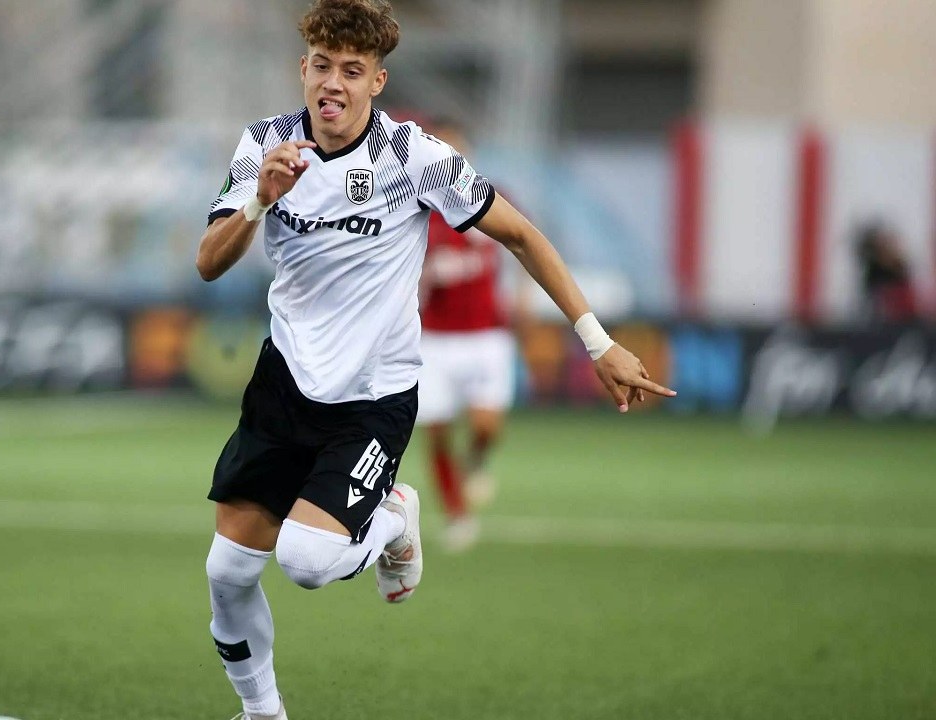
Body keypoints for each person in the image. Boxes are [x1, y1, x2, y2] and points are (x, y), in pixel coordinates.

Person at [195, 2, 675, 718]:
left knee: (305, 563)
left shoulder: (412, 156)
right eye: (322, 66)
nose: (333, 83)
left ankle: (393, 514)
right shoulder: (263, 144)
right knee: (228, 571)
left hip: (372, 399)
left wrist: (598, 342)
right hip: (284, 385)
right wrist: (259, 202)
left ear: (377, 81)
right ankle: (263, 713)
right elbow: (208, 262)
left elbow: (522, 235)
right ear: (303, 69)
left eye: (351, 70)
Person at [415, 118, 519, 552]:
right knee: (436, 430)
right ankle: (457, 514)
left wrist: (524, 300)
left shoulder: (491, 197)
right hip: (434, 339)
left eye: (455, 149)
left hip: (486, 335)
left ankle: (475, 461)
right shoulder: (415, 207)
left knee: (486, 426)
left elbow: (521, 244)